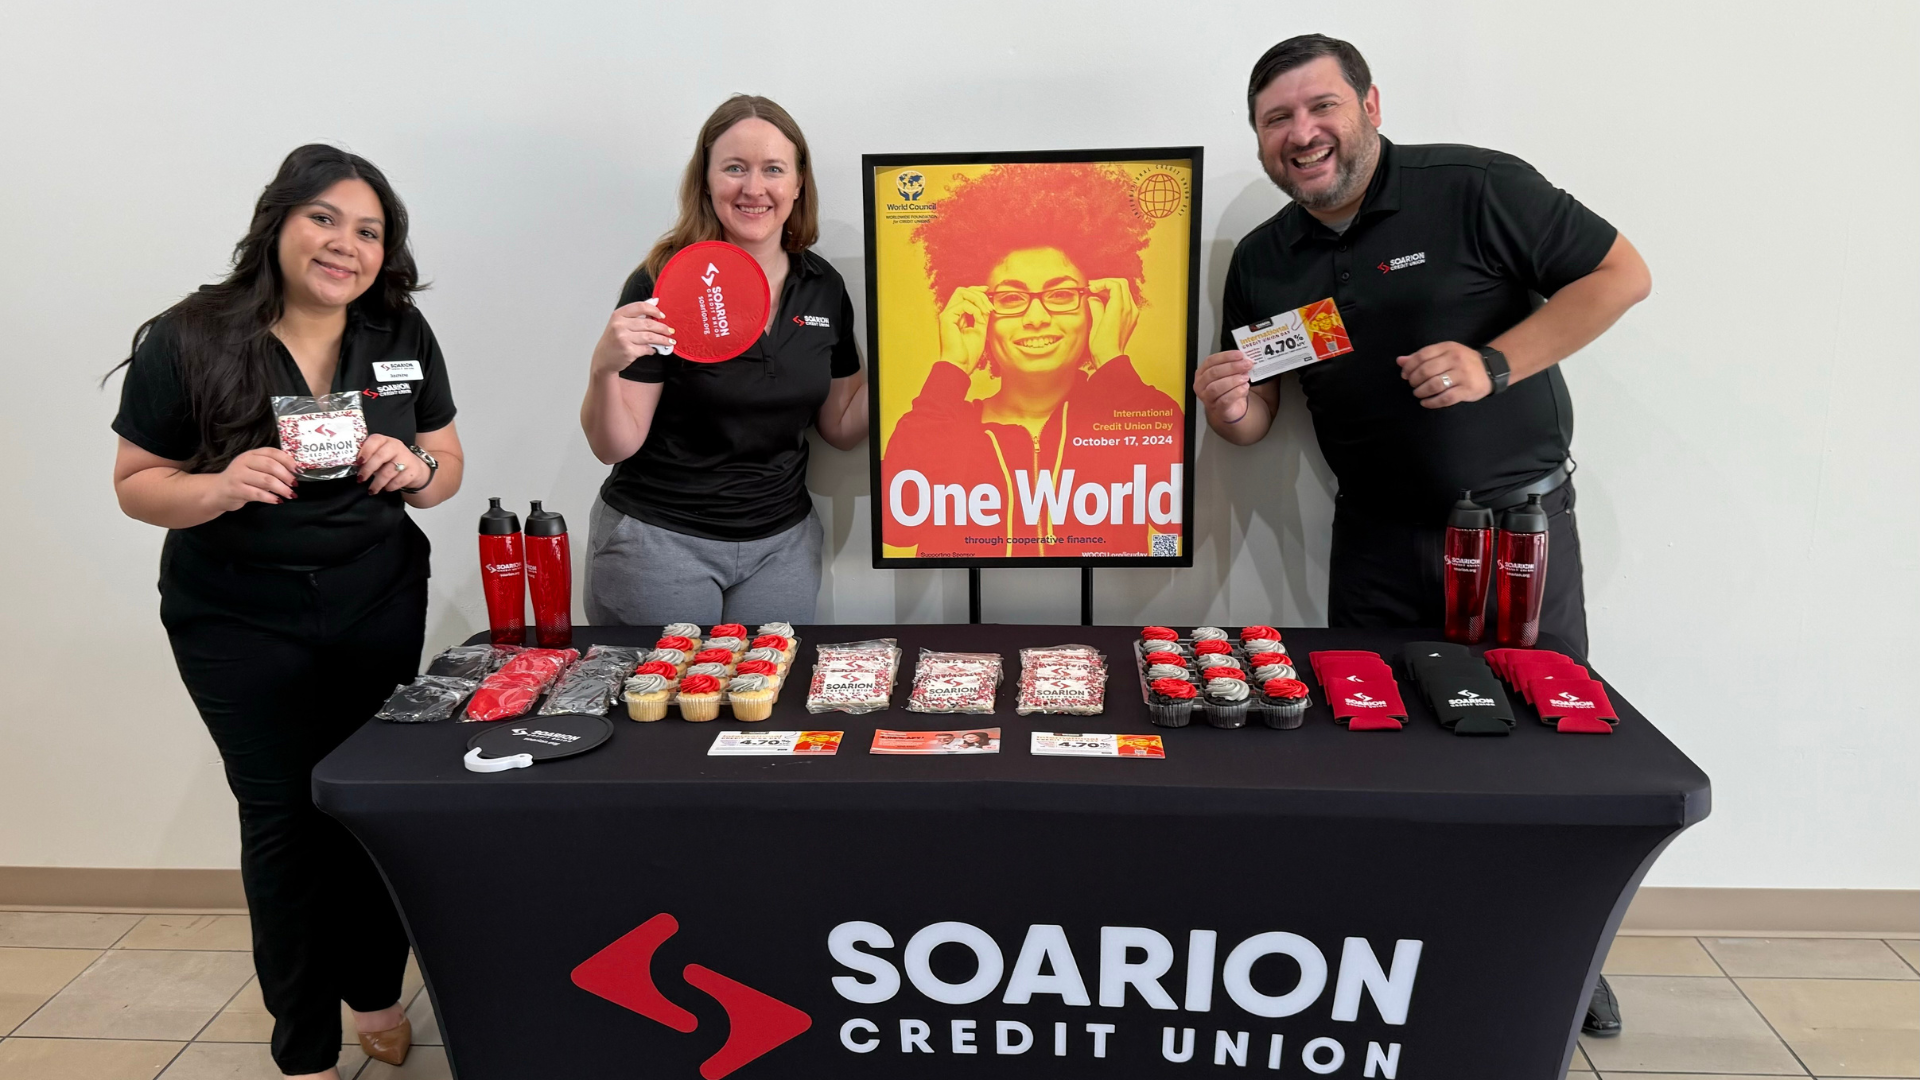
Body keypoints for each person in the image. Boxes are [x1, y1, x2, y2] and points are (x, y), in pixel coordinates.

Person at [1194, 35, 1651, 1037]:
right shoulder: (1266, 259)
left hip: (1513, 532)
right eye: (1276, 119)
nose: (1302, 133)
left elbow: (1621, 275)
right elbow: (1259, 416)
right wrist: (1229, 407)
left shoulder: (1473, 187)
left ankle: (1560, 958)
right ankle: (1400, 943)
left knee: (1541, 745)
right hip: (1374, 538)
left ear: (1369, 104)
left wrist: (1496, 361)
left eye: (1320, 106)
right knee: (1376, 741)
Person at [108, 145, 464, 1078]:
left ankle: (376, 994)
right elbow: (136, 484)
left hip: (377, 600)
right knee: (283, 820)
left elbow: (446, 465)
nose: (346, 244)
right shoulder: (190, 335)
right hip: (236, 618)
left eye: (369, 231)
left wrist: (418, 469)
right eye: (325, 219)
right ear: (278, 222)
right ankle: (303, 1046)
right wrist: (221, 485)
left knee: (367, 803)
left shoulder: (398, 329)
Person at [581, 95, 867, 625]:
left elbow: (843, 427)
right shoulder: (664, 281)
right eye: (734, 168)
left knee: (774, 682)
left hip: (782, 547)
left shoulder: (822, 285)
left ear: (798, 183)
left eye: (773, 169)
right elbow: (613, 445)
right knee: (664, 685)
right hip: (661, 543)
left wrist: (914, 352)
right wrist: (603, 369)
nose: (753, 188)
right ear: (706, 181)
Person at [881, 163, 1185, 559]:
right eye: (1010, 298)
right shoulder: (942, 423)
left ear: (1096, 307)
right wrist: (951, 369)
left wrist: (1112, 362)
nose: (1037, 317)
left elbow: (1174, 519)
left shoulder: (1128, 417)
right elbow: (897, 528)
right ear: (981, 315)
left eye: (1061, 295)